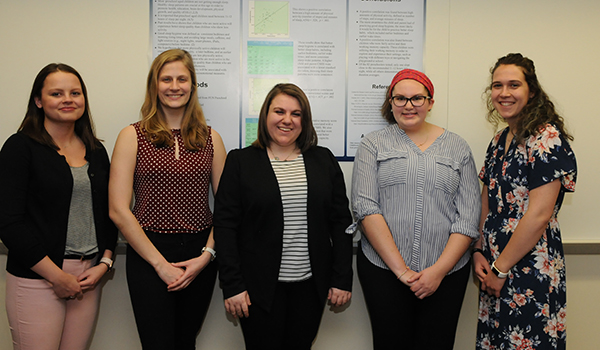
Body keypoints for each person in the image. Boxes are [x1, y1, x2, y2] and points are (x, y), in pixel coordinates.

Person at [213, 83, 353, 350]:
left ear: (305, 120)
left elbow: (341, 223)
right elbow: (225, 226)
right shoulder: (241, 161)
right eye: (279, 111)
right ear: (266, 115)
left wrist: (341, 278)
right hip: (257, 289)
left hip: (310, 287)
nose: (287, 120)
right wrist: (231, 285)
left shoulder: (323, 160)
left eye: (296, 113)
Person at [351, 69, 481, 349]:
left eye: (417, 98)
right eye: (400, 98)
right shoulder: (372, 144)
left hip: (447, 273)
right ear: (391, 102)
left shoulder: (458, 148)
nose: (408, 105)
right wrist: (401, 271)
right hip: (384, 271)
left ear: (431, 102)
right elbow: (365, 207)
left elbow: (468, 218)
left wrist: (437, 272)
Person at [108, 49, 226, 350]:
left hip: (199, 255)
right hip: (148, 252)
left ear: (193, 86)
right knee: (156, 343)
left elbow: (227, 209)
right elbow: (119, 210)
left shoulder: (211, 138)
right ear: (154, 86)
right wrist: (160, 265)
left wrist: (206, 256)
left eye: (182, 79)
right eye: (166, 79)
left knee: (186, 342)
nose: (175, 86)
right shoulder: (131, 136)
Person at [0, 63, 118, 350]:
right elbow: (8, 223)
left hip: (88, 276)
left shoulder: (97, 151)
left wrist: (104, 263)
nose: (68, 99)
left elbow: (111, 212)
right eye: (57, 93)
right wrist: (57, 276)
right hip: (38, 276)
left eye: (75, 93)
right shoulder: (20, 147)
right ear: (39, 101)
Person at [473, 53, 577, 350]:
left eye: (513, 85)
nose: (504, 93)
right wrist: (480, 250)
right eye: (497, 86)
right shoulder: (499, 140)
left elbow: (540, 214)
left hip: (529, 264)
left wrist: (501, 269)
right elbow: (488, 196)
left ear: (531, 91)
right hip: (494, 264)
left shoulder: (546, 139)